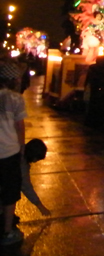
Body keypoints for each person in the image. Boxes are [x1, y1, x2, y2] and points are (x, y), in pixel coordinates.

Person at [0, 61, 27, 245]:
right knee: (10, 192)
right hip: (9, 152)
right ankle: (7, 231)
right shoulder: (15, 99)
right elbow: (19, 126)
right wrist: (22, 148)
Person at [19, 139, 51, 218]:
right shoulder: (22, 165)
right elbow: (26, 187)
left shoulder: (16, 150)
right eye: (36, 159)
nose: (35, 161)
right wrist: (40, 206)